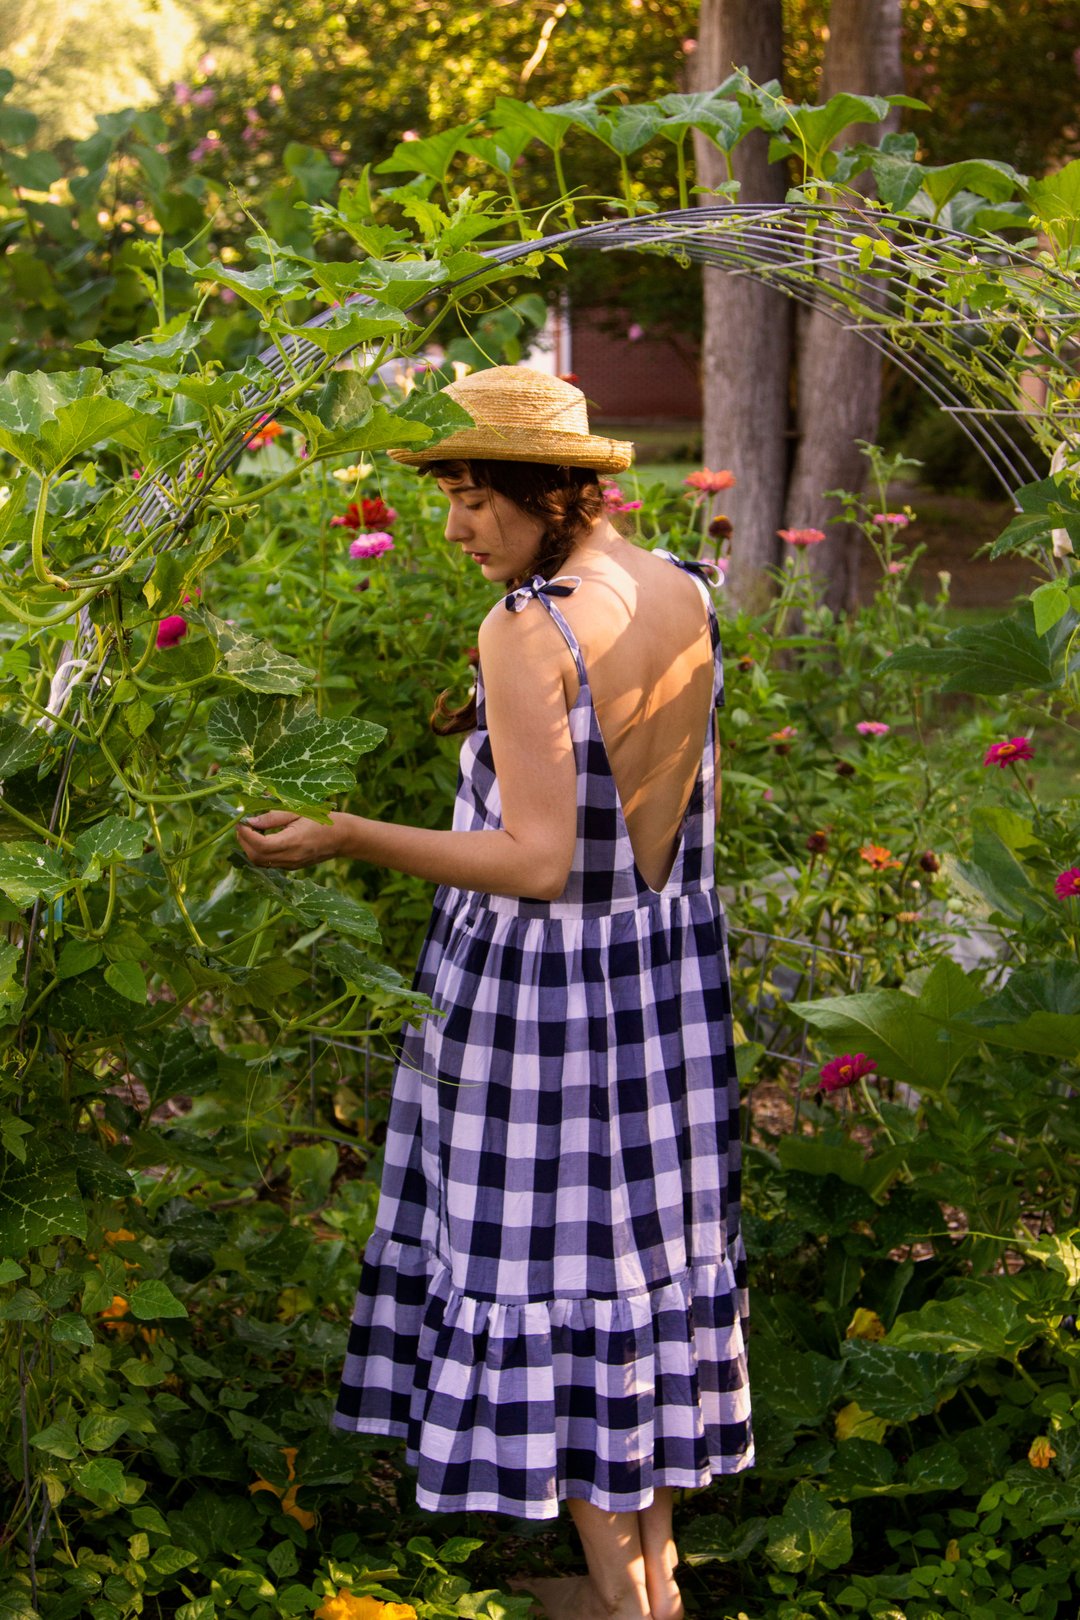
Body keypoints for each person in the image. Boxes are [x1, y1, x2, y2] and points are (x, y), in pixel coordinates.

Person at [236, 366, 753, 1620]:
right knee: (642, 1276)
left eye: (473, 501)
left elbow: (532, 862)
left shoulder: (530, 628)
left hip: (544, 1001)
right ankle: (655, 1585)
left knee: (551, 1283)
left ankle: (627, 1607)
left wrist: (350, 831)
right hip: (662, 977)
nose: (456, 530)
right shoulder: (681, 585)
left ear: (545, 492)